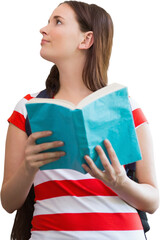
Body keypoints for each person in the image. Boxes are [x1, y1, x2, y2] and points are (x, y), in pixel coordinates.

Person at [1, 1, 159, 239]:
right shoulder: (28, 108)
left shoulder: (126, 106)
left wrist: (120, 182)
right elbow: (8, 202)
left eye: (58, 21)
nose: (43, 29)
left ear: (86, 40)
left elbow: (153, 200)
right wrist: (29, 167)